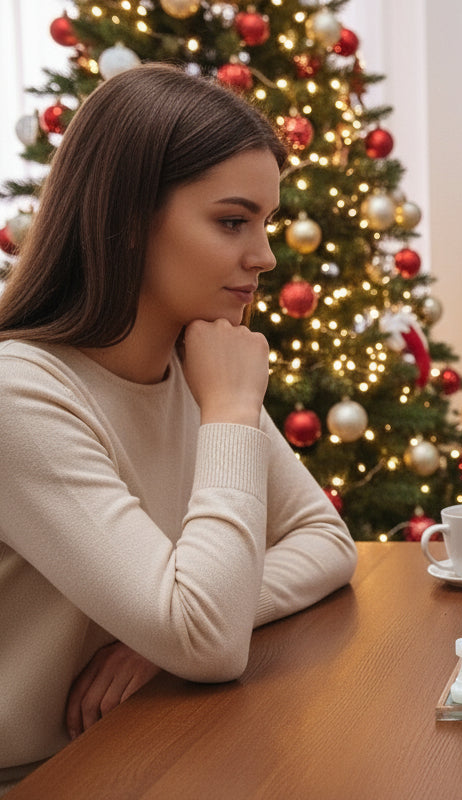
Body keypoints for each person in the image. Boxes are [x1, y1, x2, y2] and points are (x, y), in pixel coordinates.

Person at [0, 64, 357, 789]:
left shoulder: (196, 364)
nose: (264, 257)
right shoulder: (22, 395)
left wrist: (162, 637)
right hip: (40, 775)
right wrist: (230, 411)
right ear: (127, 221)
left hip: (151, 740)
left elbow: (325, 541)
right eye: (233, 221)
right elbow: (207, 642)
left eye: (265, 223)